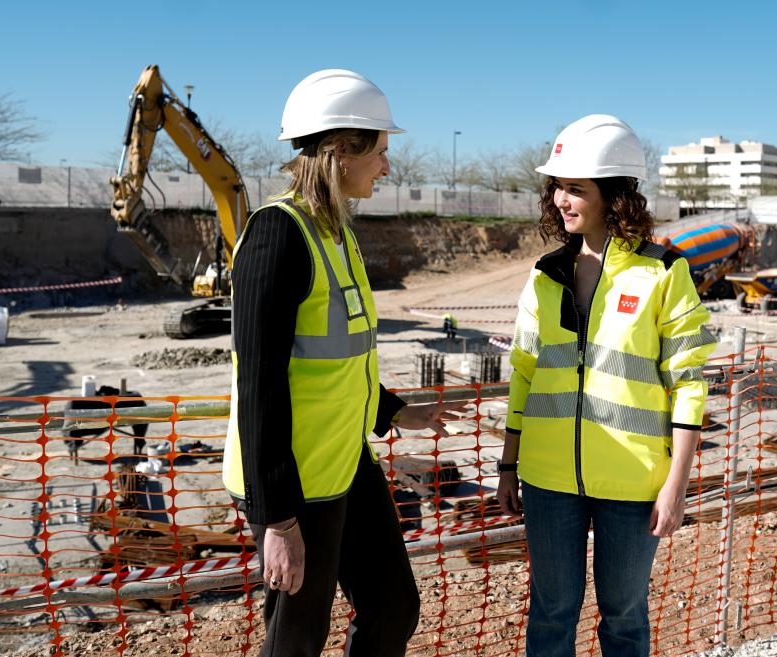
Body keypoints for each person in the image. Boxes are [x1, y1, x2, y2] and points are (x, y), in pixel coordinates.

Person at [222, 69, 467, 657]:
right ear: (338, 152)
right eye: (379, 151)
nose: (387, 165)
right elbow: (259, 384)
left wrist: (393, 411)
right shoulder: (276, 236)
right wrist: (277, 520)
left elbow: (336, 357)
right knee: (296, 641)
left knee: (392, 608)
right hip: (293, 480)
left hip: (343, 460)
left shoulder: (336, 233)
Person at [496, 115, 717, 657]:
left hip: (633, 483)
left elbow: (689, 381)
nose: (561, 198)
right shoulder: (544, 275)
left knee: (623, 616)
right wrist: (508, 465)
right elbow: (524, 375)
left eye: (577, 188)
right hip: (547, 479)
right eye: (558, 187)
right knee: (550, 614)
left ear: (613, 194)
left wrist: (676, 484)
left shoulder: (663, 271)